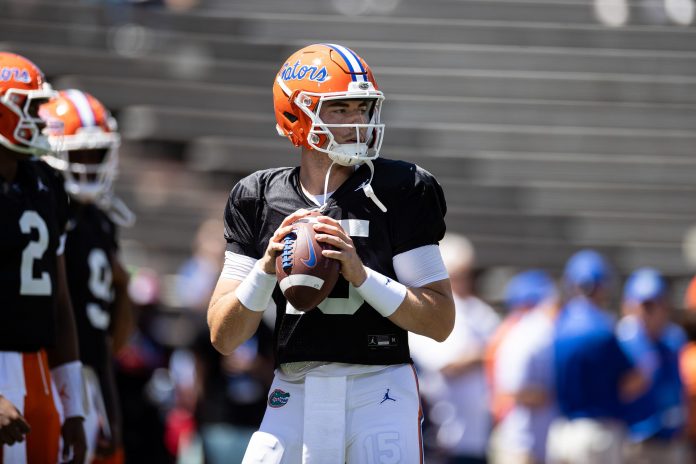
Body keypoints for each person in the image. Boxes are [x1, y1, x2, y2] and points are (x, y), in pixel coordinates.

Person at [207, 43, 455, 464]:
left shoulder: (402, 189)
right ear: (295, 115)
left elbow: (439, 321)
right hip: (294, 387)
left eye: (362, 108)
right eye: (340, 110)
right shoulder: (258, 196)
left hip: (379, 387)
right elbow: (223, 336)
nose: (357, 121)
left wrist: (362, 276)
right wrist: (266, 269)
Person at [40, 89, 135, 463]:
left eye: (96, 153)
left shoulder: (101, 221)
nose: (88, 164)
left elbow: (110, 342)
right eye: (78, 152)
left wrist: (124, 285)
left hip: (93, 377)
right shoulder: (47, 209)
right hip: (50, 370)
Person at [0, 52, 87, 463]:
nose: (39, 117)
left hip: (40, 370)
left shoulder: (46, 181)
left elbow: (60, 302)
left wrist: (74, 407)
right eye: (29, 107)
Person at [546, 249, 645, 464]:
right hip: (598, 434)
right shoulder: (602, 328)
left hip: (562, 430)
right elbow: (634, 381)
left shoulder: (558, 325)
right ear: (601, 286)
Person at [409, 233, 499, 464]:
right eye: (457, 274)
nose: (463, 281)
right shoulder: (429, 310)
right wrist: (486, 355)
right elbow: (447, 365)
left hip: (478, 434)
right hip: (444, 436)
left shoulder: (479, 311)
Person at [617, 268, 690, 463]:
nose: (653, 312)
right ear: (630, 306)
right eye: (647, 305)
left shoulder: (674, 339)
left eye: (659, 304)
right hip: (638, 441)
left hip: (673, 438)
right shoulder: (623, 342)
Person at [489, 270, 559, 464]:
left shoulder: (531, 331)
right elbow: (511, 391)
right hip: (518, 444)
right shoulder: (525, 333)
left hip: (533, 444)